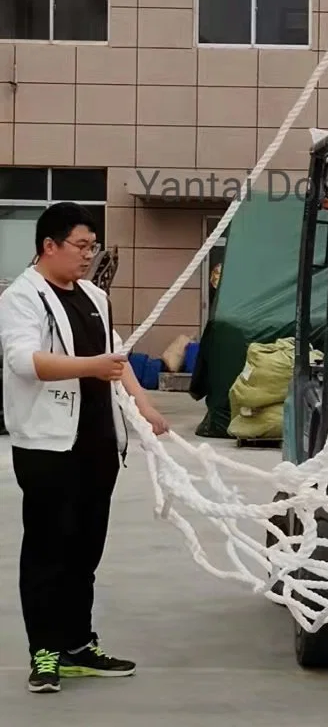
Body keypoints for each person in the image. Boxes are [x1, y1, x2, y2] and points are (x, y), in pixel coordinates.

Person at [0, 202, 170, 695]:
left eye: (92, 247)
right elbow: (25, 362)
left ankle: (77, 644)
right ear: (48, 245)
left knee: (84, 550)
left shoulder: (94, 295)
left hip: (98, 441)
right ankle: (45, 652)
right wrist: (91, 366)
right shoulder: (22, 296)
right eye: (80, 246)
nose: (87, 256)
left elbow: (117, 360)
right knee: (48, 549)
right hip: (50, 445)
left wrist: (145, 407)